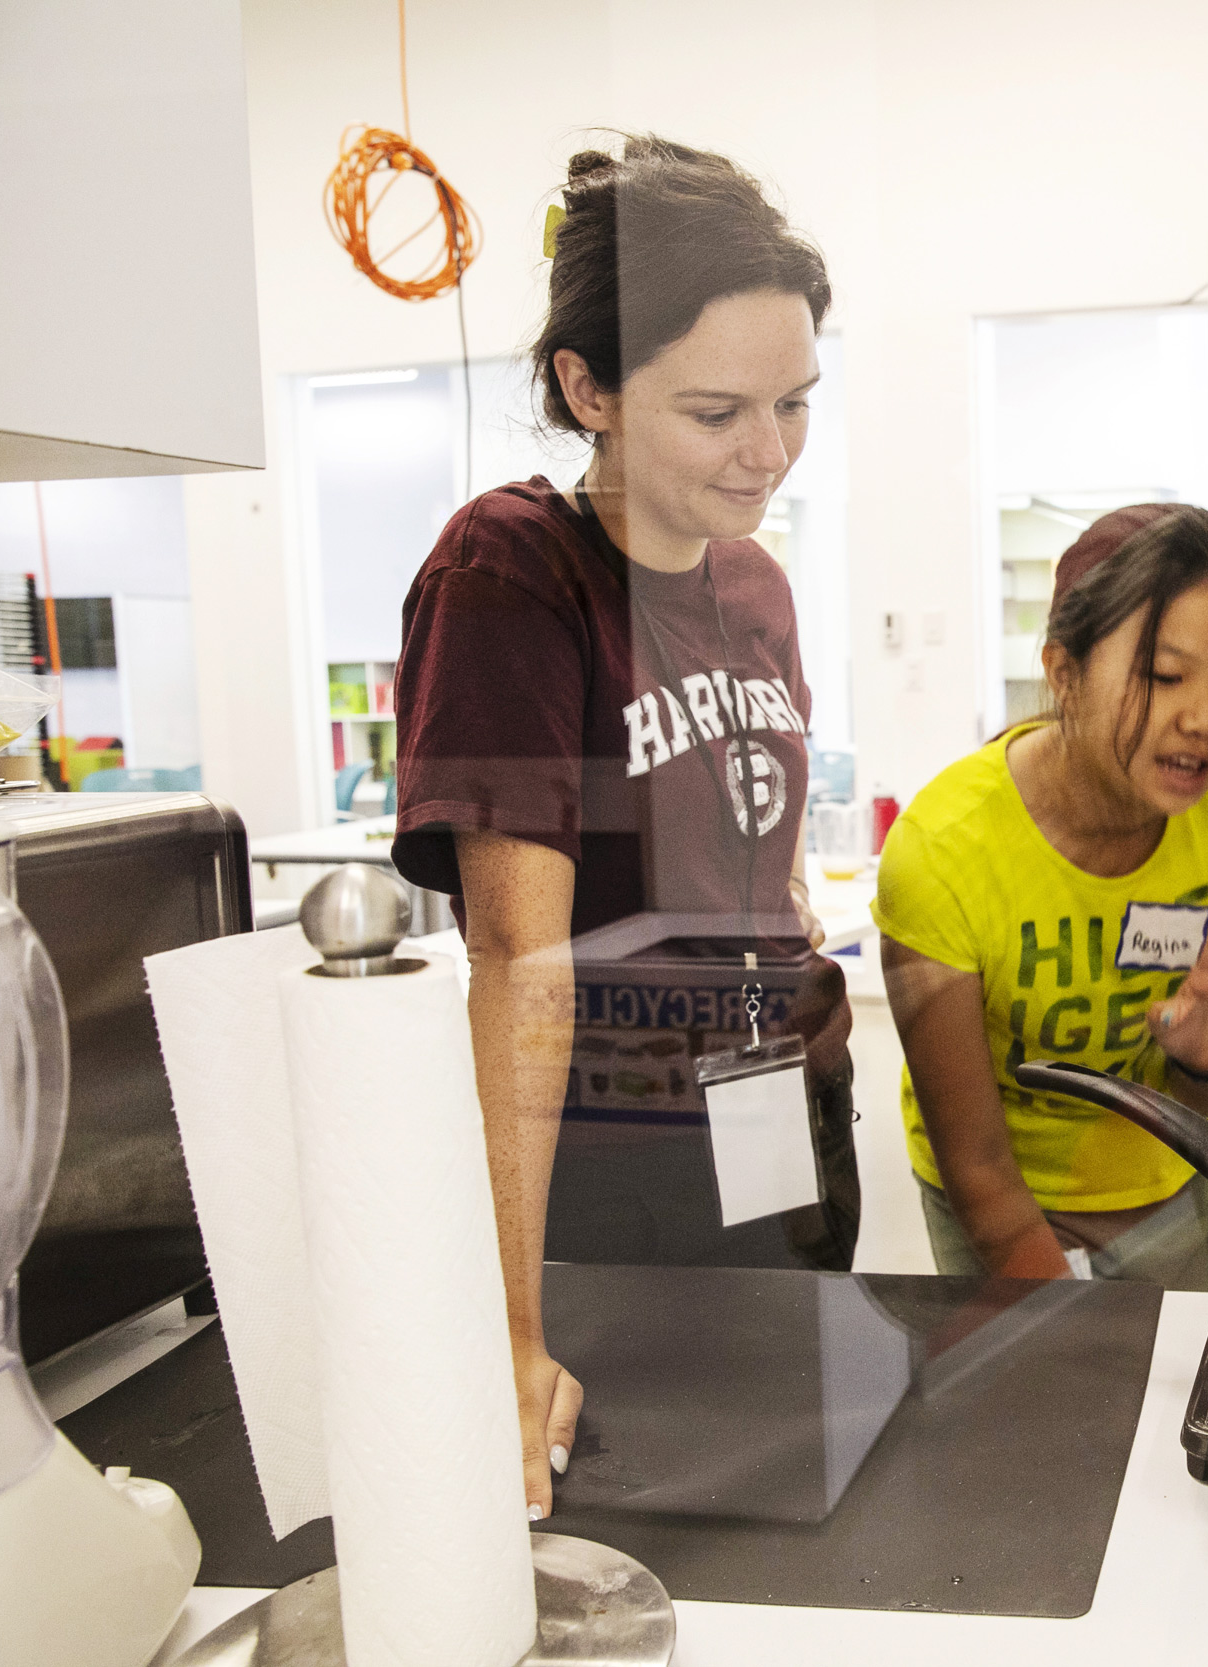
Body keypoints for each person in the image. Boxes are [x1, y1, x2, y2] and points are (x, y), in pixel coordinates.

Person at [390, 135, 852, 1518]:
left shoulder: (756, 583)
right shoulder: (513, 572)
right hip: (605, 1177)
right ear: (586, 387)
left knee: (807, 1518)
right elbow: (516, 961)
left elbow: (741, 838)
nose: (767, 453)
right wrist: (509, 1324)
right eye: (718, 411)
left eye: (795, 402)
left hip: (776, 1133)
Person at [875, 505, 1208, 1288]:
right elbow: (976, 1165)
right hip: (1000, 1199)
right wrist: (1066, 1324)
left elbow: (1205, 1098)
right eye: (1164, 676)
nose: (1206, 718)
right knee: (1051, 1398)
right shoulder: (941, 852)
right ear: (1064, 672)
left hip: (1174, 1183)